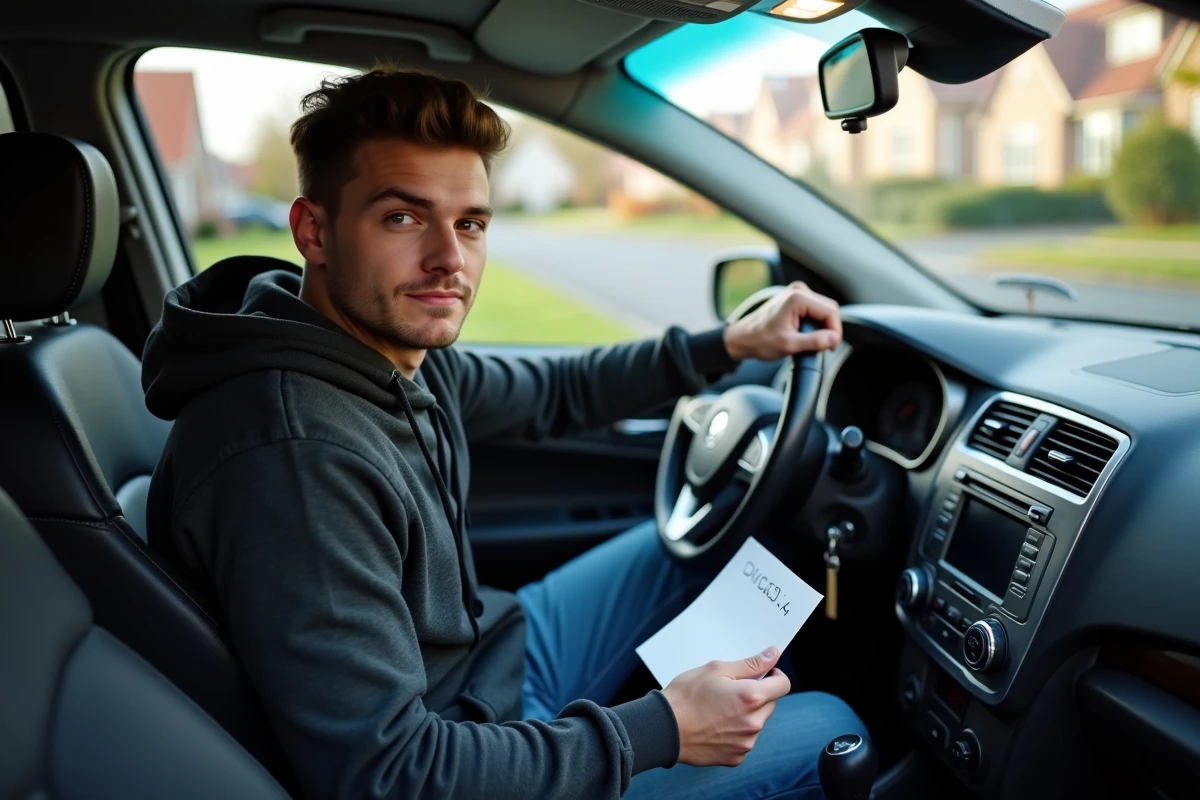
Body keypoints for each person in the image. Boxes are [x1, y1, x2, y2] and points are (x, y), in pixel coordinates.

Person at [142, 66, 866, 799]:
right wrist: (662, 728)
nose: (448, 260)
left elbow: (561, 390)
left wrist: (731, 345)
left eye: (470, 224)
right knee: (831, 726)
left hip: (495, 659)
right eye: (402, 217)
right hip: (462, 744)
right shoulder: (296, 458)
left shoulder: (389, 352)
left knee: (707, 548)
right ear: (314, 232)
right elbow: (387, 776)